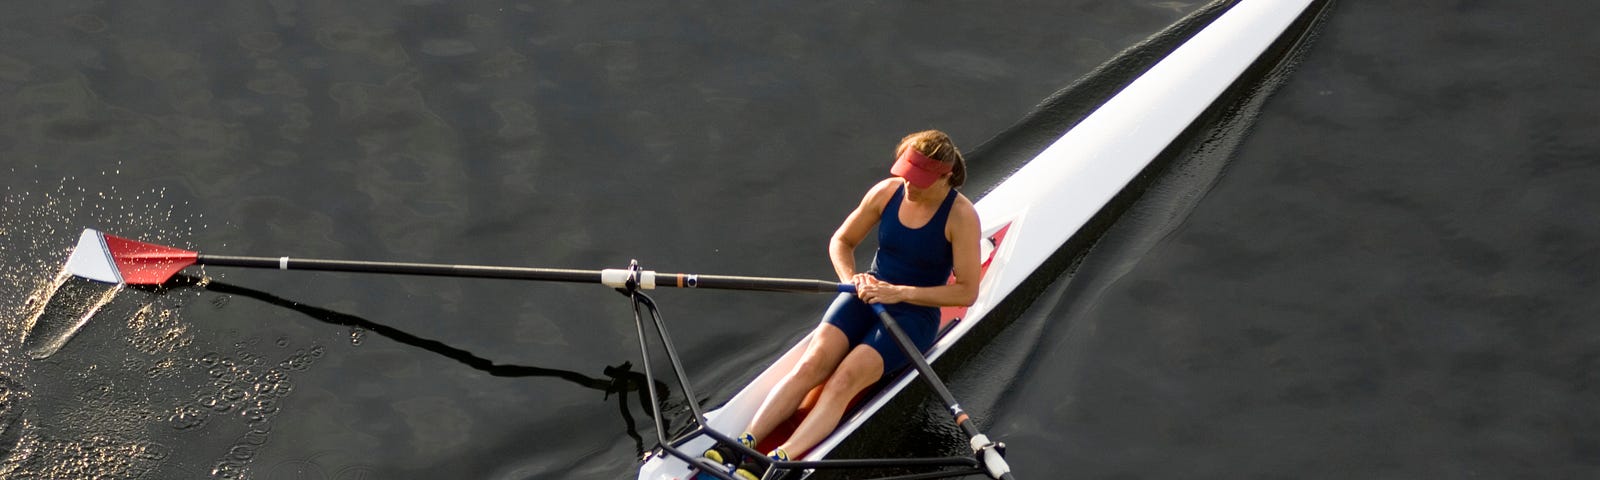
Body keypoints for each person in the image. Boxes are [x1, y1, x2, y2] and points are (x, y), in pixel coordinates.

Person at [705, 130, 982, 479]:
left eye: (919, 179)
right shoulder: (886, 193)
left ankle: (780, 458)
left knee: (845, 378)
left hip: (913, 312)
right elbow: (842, 241)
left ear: (945, 176)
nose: (908, 184)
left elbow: (966, 292)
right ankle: (744, 441)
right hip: (865, 294)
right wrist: (852, 278)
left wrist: (900, 293)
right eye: (906, 174)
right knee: (812, 363)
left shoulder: (961, 216)